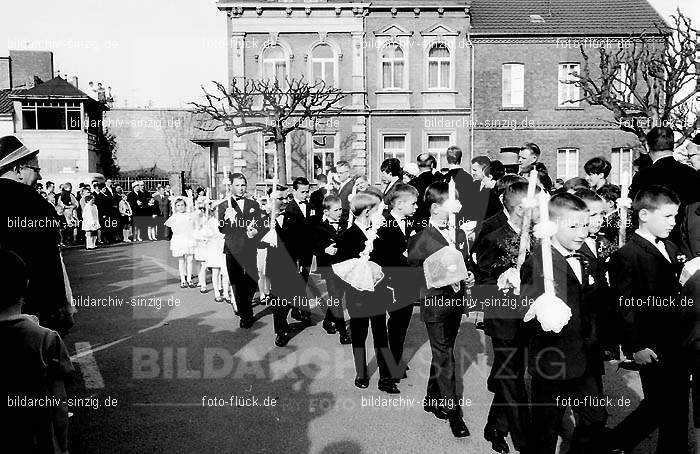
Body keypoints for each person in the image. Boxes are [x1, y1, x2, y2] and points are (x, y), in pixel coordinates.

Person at [520, 193, 607, 454]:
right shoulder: (538, 261)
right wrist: (539, 309)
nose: (582, 232)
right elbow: (523, 309)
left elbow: (593, 305)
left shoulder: (586, 259)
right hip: (553, 358)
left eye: (585, 224)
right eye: (573, 226)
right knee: (546, 429)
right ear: (553, 225)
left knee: (596, 418)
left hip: (585, 356)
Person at [605, 186, 690, 454]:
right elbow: (625, 306)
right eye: (666, 216)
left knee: (675, 405)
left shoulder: (670, 246)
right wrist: (636, 346)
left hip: (676, 339)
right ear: (643, 214)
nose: (672, 223)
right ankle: (613, 443)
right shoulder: (628, 255)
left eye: (675, 217)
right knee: (660, 405)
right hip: (651, 343)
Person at [474, 181, 539, 454]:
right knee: (513, 382)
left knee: (510, 377)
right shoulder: (494, 237)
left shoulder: (537, 237)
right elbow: (483, 281)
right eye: (535, 207)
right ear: (521, 209)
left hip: (529, 318)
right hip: (504, 321)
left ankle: (495, 428)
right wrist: (502, 281)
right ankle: (527, 444)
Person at [408, 181, 473, 438]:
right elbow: (414, 273)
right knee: (445, 353)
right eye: (450, 205)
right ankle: (453, 410)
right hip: (435, 303)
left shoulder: (457, 234)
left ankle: (431, 397)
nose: (455, 210)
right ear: (435, 208)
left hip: (455, 301)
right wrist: (437, 276)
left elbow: (465, 264)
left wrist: (468, 277)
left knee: (443, 350)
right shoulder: (420, 238)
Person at [0, 250, 74, 454]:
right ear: (26, 284)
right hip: (37, 439)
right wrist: (63, 447)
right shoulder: (46, 339)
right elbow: (59, 403)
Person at [0, 135, 73, 334]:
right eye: (36, 169)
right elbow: (48, 261)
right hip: (30, 309)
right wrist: (59, 309)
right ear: (17, 169)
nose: (40, 177)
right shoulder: (36, 203)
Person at [335, 192, 397, 393]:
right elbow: (341, 267)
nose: (381, 213)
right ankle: (361, 372)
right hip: (357, 295)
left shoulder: (379, 232)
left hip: (378, 292)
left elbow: (388, 259)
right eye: (378, 209)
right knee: (359, 334)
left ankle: (385, 377)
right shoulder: (347, 236)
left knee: (381, 334)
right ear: (368, 211)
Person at [373, 183, 420, 383]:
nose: (416, 207)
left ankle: (396, 361)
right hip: (386, 283)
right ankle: (385, 375)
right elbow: (376, 255)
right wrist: (404, 256)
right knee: (382, 330)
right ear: (399, 204)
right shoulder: (381, 222)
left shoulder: (414, 223)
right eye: (413, 203)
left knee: (400, 325)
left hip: (407, 284)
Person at [629, 126, 700, 243]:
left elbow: (637, 210)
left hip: (654, 239)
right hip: (686, 239)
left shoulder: (643, 176)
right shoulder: (692, 174)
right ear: (672, 146)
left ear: (648, 146)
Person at [261, 185, 311, 347]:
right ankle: (281, 330)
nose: (284, 201)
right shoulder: (264, 219)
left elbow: (302, 242)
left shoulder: (293, 217)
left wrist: (303, 262)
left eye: (285, 198)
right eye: (279, 198)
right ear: (270, 199)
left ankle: (297, 312)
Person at [574, 188, 621, 361]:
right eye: (593, 215)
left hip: (603, 312)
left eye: (602, 214)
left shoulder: (604, 242)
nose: (599, 220)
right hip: (584, 316)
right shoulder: (573, 246)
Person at [217, 173, 265, 329]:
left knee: (252, 279)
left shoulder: (253, 204)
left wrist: (255, 232)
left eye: (243, 185)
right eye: (237, 185)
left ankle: (244, 305)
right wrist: (226, 218)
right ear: (230, 186)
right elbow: (222, 229)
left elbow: (259, 225)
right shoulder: (224, 205)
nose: (241, 188)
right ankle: (246, 314)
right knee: (236, 282)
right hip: (233, 248)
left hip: (249, 247)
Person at [312, 194, 351, 344]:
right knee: (335, 298)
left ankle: (328, 321)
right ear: (326, 212)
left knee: (339, 296)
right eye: (336, 210)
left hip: (344, 267)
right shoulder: (319, 227)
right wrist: (324, 249)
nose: (339, 212)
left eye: (341, 209)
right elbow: (314, 246)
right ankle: (343, 332)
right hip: (329, 268)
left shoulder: (346, 224)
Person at [283, 177, 316, 313]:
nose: (306, 195)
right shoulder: (289, 209)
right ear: (294, 191)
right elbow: (286, 233)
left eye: (307, 192)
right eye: (302, 192)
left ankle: (299, 307)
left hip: (308, 250)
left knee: (305, 278)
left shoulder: (311, 207)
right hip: (294, 250)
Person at [165, 197, 196, 288]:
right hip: (179, 239)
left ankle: (189, 279)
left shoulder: (189, 215)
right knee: (181, 260)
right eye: (178, 205)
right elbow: (174, 229)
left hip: (189, 239)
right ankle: (183, 279)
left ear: (185, 206)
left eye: (182, 205)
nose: (180, 207)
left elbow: (194, 226)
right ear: (175, 207)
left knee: (190, 260)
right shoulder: (174, 217)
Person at [409, 153, 444, 230]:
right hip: (437, 223)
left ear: (418, 165)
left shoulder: (411, 184)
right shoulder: (440, 182)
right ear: (432, 164)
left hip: (417, 224)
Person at [443, 146, 476, 226]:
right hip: (465, 218)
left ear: (447, 159)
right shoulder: (467, 177)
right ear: (460, 158)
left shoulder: (444, 178)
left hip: (446, 218)